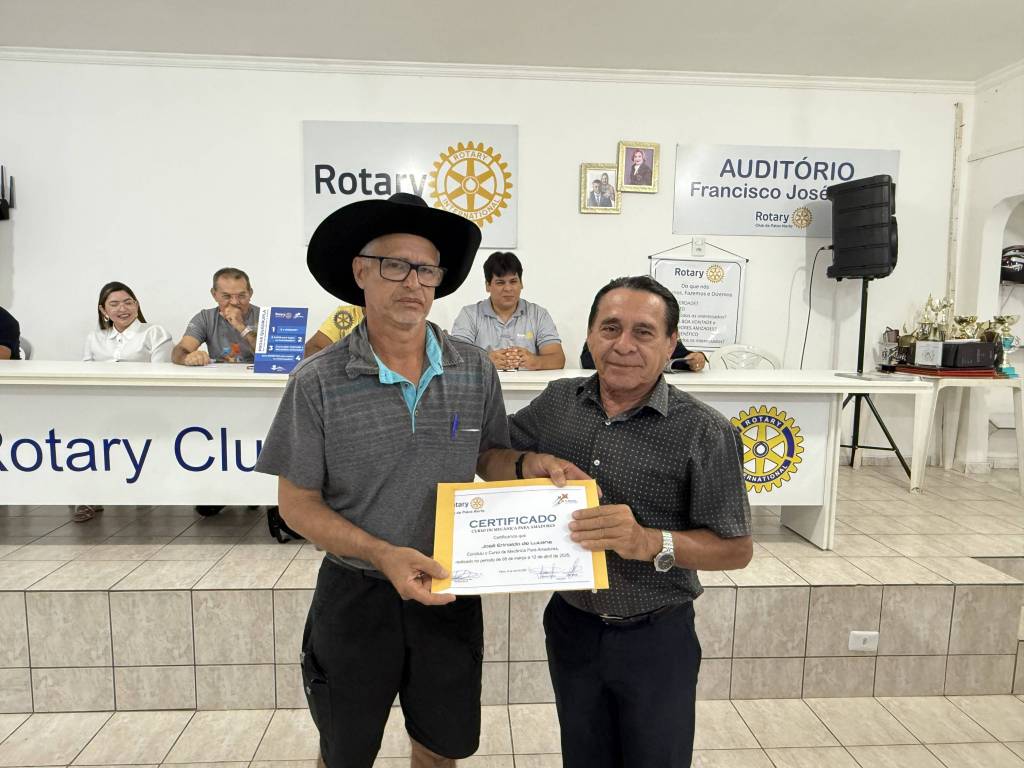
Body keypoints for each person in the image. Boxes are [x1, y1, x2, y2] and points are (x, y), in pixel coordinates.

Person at [255, 192, 584, 768]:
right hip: (356, 594)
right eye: (395, 266)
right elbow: (297, 505)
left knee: (440, 746)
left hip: (447, 587)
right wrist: (382, 554)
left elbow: (489, 454)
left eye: (426, 269)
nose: (413, 282)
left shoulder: (472, 367)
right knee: (345, 751)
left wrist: (526, 466)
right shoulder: (317, 381)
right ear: (360, 272)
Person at [507, 275, 753, 768]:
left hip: (656, 638)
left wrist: (649, 541)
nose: (623, 345)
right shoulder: (558, 403)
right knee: (583, 756)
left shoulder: (704, 430)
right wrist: (527, 463)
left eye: (643, 332)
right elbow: (494, 453)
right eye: (610, 328)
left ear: (670, 344)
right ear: (590, 335)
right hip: (571, 626)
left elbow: (735, 549)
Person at [449, 251, 565, 371]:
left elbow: (558, 359)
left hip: (528, 383)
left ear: (521, 283)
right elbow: (455, 358)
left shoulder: (538, 314)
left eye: (513, 281)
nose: (508, 288)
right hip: (484, 382)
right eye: (500, 282)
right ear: (488, 285)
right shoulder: (469, 315)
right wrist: (485, 361)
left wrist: (535, 362)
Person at [171, 267, 261, 366]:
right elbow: (179, 351)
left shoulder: (266, 317)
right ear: (214, 295)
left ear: (250, 293)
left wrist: (240, 326)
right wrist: (188, 358)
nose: (235, 302)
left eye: (241, 296)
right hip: (219, 374)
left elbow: (271, 355)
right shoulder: (205, 318)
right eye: (226, 296)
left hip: (256, 375)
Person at [83, 281, 172, 363]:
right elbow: (85, 372)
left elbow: (161, 372)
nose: (123, 309)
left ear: (136, 305)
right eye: (114, 304)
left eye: (128, 303)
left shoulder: (155, 333)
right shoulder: (94, 338)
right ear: (103, 310)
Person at [580, 338, 708, 371]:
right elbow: (588, 361)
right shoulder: (603, 334)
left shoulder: (660, 334)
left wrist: (697, 358)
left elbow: (685, 359)